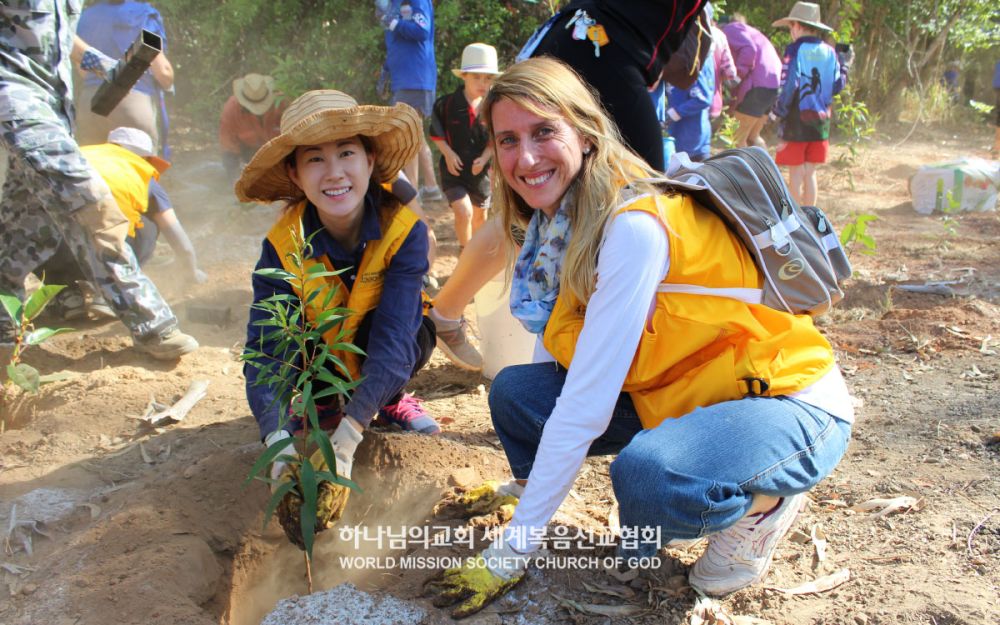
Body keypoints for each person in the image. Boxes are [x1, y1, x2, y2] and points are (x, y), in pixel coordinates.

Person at [423, 57, 854, 616]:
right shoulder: (561, 221)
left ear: (585, 133)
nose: (525, 158)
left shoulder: (632, 226)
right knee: (517, 393)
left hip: (785, 402)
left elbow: (585, 406)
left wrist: (513, 550)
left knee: (650, 479)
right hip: (696, 389)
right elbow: (558, 362)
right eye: (508, 140)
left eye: (544, 132)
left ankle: (763, 507)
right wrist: (528, 491)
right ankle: (538, 491)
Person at [424, 0, 714, 372]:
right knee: (646, 202)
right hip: (601, 53)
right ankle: (581, 350)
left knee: (537, 203)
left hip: (566, 37)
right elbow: (687, 68)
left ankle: (448, 313)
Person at [237, 89, 442, 491]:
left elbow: (395, 335)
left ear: (370, 160)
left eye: (346, 153)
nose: (334, 173)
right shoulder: (282, 244)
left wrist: (350, 433)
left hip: (381, 341)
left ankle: (388, 398)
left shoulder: (404, 231)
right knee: (290, 329)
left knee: (408, 334)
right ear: (295, 174)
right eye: (315, 159)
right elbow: (266, 349)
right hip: (320, 353)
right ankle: (321, 400)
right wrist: (276, 439)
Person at [0, 2, 198, 359]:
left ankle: (3, 325)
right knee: (87, 197)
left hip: (53, 105)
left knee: (24, 225)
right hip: (14, 98)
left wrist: (99, 61)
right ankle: (149, 321)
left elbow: (54, 33)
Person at [39, 127, 207, 320]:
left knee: (38, 224)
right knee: (148, 222)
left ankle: (67, 295)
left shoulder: (78, 156)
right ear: (145, 157)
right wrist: (192, 271)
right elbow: (179, 238)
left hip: (55, 249)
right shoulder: (142, 175)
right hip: (107, 251)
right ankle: (108, 290)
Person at [772, 2, 851, 207]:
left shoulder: (795, 50)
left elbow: (790, 84)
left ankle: (796, 218)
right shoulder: (830, 52)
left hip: (796, 121)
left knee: (796, 172)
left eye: (791, 27)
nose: (791, 32)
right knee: (810, 171)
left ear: (797, 26)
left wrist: (778, 111)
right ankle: (810, 217)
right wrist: (845, 66)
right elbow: (837, 86)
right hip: (821, 122)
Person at [75, 0, 174, 153]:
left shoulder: (84, 16)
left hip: (90, 105)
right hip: (132, 102)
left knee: (93, 165)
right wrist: (168, 83)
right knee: (136, 165)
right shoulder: (144, 14)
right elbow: (163, 70)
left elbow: (82, 70)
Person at [430, 43, 500, 249]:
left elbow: (497, 139)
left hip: (480, 174)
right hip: (454, 171)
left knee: (480, 217)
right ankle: (465, 252)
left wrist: (485, 158)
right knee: (464, 211)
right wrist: (448, 154)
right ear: (464, 76)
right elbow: (436, 133)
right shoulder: (445, 104)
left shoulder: (494, 108)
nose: (483, 83)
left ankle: (475, 254)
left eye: (488, 78)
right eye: (476, 77)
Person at [376, 0, 443, 201]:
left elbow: (422, 30)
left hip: (415, 78)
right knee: (415, 132)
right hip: (404, 79)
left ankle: (412, 195)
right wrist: (386, 70)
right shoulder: (393, 4)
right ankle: (431, 188)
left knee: (407, 133)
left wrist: (394, 23)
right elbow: (396, 43)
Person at [721, 14, 782, 148]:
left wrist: (737, 77)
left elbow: (749, 50)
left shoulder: (729, 29)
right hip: (773, 85)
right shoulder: (752, 32)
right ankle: (763, 162)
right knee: (752, 137)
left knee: (737, 140)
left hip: (757, 85)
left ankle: (746, 163)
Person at [219, 73, 287, 184]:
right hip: (248, 153)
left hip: (278, 152)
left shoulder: (282, 102)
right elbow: (228, 147)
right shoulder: (231, 110)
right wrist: (235, 180)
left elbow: (295, 134)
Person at [665, 54, 716, 161]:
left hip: (692, 136)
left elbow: (702, 98)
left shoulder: (696, 57)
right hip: (680, 133)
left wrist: (676, 113)